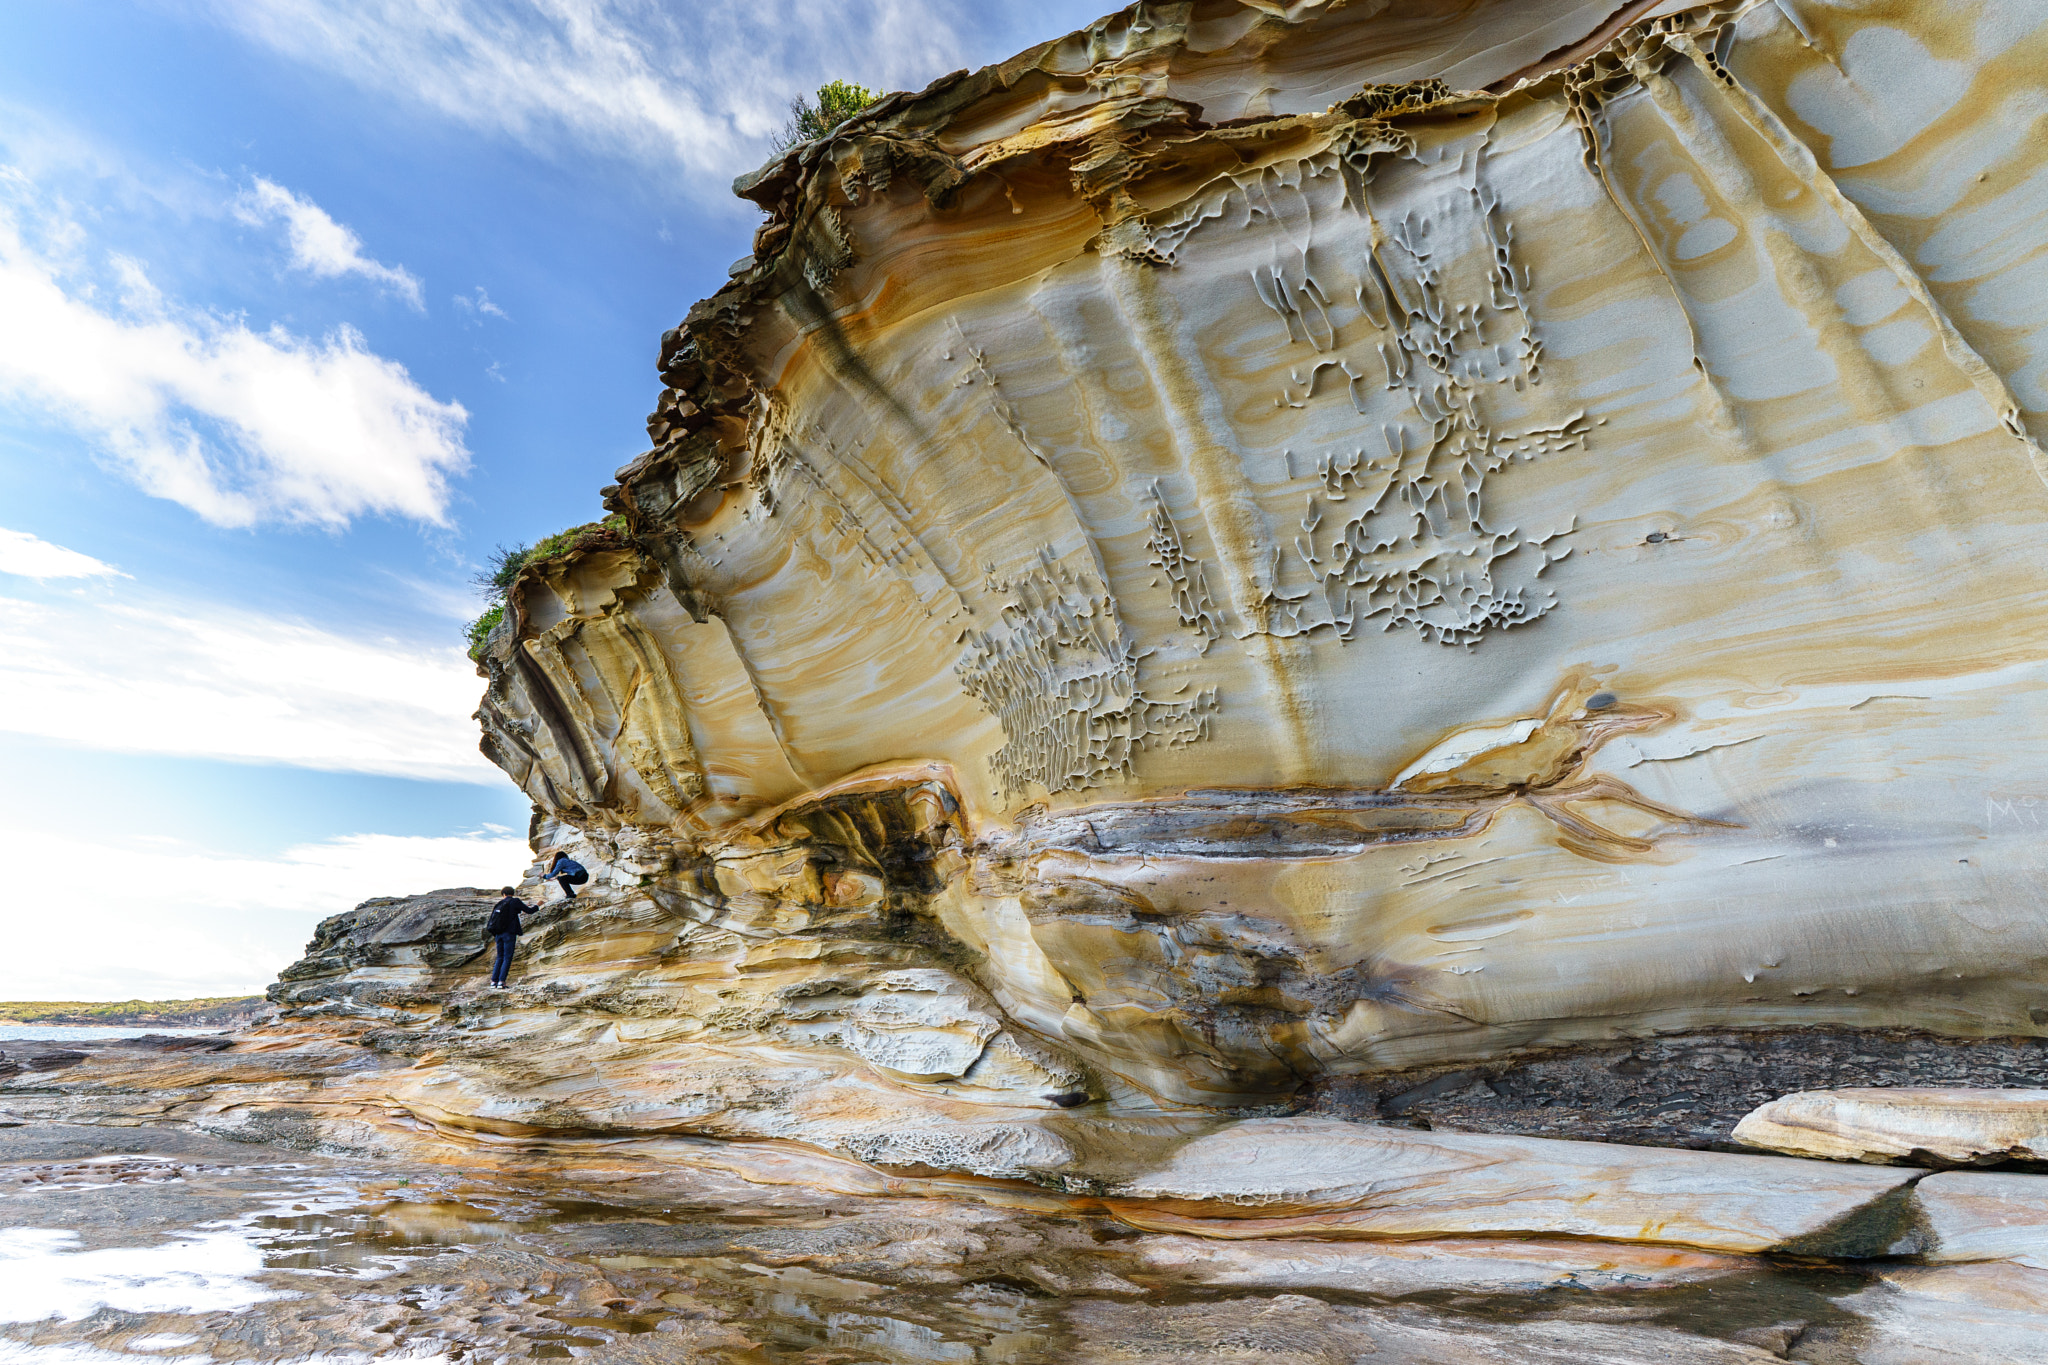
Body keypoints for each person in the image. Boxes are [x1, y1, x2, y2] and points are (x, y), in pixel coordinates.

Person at [485, 887, 531, 989]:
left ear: (503, 894)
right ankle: (502, 982)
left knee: (500, 957)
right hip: (509, 934)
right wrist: (538, 906)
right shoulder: (515, 901)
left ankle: (494, 982)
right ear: (512, 893)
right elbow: (529, 911)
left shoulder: (500, 903)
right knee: (507, 957)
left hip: (498, 934)